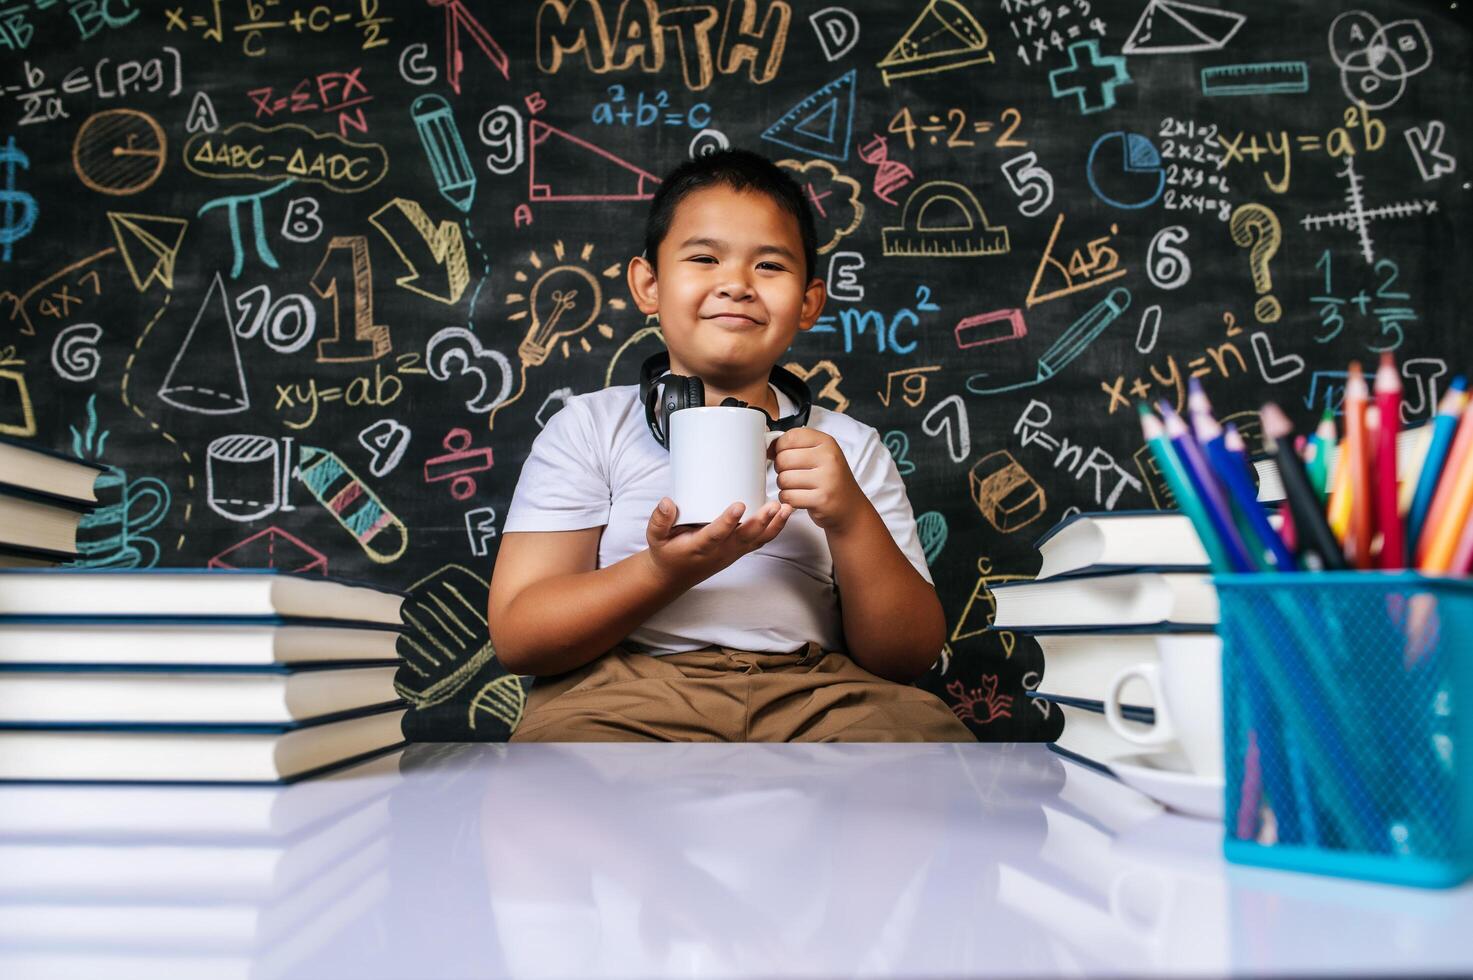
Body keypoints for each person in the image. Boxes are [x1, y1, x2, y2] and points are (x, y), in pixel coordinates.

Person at [488, 148, 972, 742]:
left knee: (927, 752)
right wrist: (661, 573)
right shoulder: (589, 427)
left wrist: (849, 516)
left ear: (809, 304)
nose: (737, 285)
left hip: (818, 691)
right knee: (547, 781)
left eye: (769, 266)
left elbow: (906, 657)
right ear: (649, 285)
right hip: (626, 691)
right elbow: (519, 636)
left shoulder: (849, 447)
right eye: (704, 257)